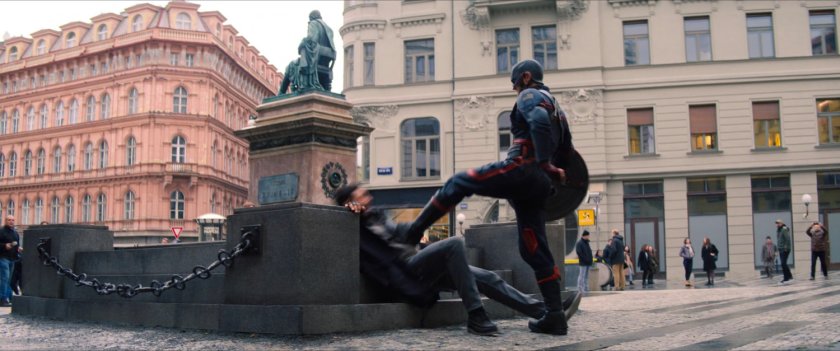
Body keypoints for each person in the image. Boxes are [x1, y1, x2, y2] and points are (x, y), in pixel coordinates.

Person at [398, 59, 575, 335]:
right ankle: (554, 314)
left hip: (522, 170)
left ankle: (413, 231)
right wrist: (552, 172)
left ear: (526, 77)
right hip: (540, 185)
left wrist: (543, 164)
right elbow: (567, 150)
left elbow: (538, 122)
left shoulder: (531, 95)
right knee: (533, 248)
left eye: (515, 83)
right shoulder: (559, 111)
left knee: (458, 182)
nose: (515, 90)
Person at [334, 184, 581, 336]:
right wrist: (348, 215)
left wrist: (420, 226)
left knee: (488, 277)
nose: (367, 197)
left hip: (418, 264)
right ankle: (476, 314)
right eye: (360, 196)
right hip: (404, 273)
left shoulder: (377, 217)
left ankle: (549, 312)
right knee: (453, 243)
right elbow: (341, 232)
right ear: (351, 202)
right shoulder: (353, 223)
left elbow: (401, 233)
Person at [0, 215, 22, 307]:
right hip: (3, 257)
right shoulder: (1, 231)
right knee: (4, 278)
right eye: (9, 220)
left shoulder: (15, 233)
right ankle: (2, 299)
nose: (11, 221)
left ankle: (8, 298)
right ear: (5, 221)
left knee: (9, 279)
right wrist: (4, 246)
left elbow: (16, 245)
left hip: (12, 258)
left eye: (13, 220)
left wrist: (18, 249)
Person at [575, 230, 593, 294]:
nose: (588, 236)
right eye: (587, 235)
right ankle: (580, 289)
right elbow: (579, 252)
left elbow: (589, 252)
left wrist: (590, 260)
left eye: (588, 235)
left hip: (588, 262)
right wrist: (585, 259)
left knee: (586, 276)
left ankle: (586, 288)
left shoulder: (587, 242)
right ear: (584, 236)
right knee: (582, 276)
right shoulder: (579, 243)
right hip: (583, 262)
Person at [776, 219, 793, 284]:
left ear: (781, 223)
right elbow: (779, 240)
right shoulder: (778, 230)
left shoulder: (784, 229)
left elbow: (787, 239)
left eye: (778, 223)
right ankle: (789, 276)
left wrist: (786, 247)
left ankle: (786, 278)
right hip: (781, 249)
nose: (777, 224)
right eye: (776, 223)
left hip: (785, 249)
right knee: (783, 263)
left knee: (783, 263)